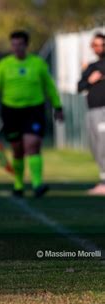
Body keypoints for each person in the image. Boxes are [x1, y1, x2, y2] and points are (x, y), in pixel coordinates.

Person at [0, 30, 63, 198]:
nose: (17, 48)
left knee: (32, 144)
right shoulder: (3, 65)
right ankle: (18, 184)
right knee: (17, 149)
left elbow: (50, 86)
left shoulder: (38, 64)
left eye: (20, 44)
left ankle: (37, 185)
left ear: (26, 45)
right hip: (11, 111)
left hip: (33, 110)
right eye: (14, 44)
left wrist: (58, 106)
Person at [78, 32, 105, 195]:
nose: (99, 48)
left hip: (104, 110)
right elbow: (79, 87)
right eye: (96, 45)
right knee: (95, 146)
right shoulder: (90, 67)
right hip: (91, 111)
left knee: (103, 145)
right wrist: (90, 80)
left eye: (102, 45)